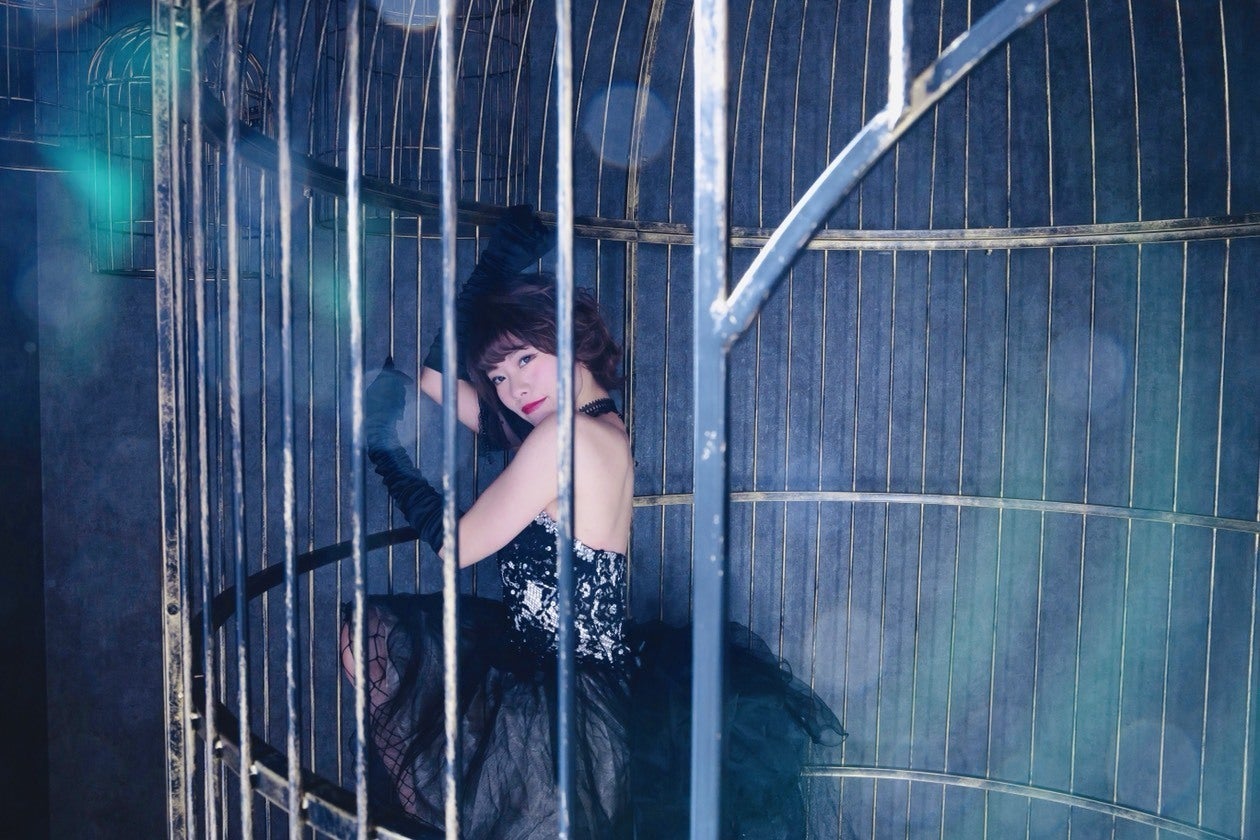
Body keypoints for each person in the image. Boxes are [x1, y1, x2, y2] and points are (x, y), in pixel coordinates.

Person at [342, 211, 845, 839]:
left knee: (376, 646)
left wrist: (383, 447)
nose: (512, 387)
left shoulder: (565, 438)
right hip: (557, 676)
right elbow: (436, 381)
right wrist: (491, 276)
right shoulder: (592, 425)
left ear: (570, 342)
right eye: (498, 376)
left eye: (525, 359)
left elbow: (460, 545)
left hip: (567, 705)